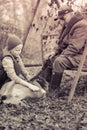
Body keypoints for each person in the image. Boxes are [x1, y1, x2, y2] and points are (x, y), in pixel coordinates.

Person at [32, 5, 87, 92]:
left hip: (83, 57)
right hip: (75, 54)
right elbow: (63, 43)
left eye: (63, 18)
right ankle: (43, 83)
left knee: (59, 61)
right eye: (60, 19)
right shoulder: (70, 24)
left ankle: (53, 91)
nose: (61, 21)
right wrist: (55, 52)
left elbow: (75, 47)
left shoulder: (81, 26)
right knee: (51, 59)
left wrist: (60, 55)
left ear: (71, 14)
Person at [0, 34, 46, 102]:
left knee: (30, 84)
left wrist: (30, 80)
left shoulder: (16, 55)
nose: (19, 52)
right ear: (10, 49)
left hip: (10, 79)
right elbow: (13, 76)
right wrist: (29, 85)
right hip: (3, 79)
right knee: (19, 87)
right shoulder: (7, 58)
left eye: (20, 50)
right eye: (17, 50)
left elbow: (22, 69)